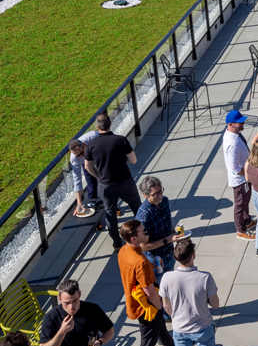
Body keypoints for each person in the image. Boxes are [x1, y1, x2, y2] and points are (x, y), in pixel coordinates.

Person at [160, 237, 230, 346]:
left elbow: (166, 307)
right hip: (202, 327)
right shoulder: (204, 277)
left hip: (179, 329)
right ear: (193, 255)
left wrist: (176, 317)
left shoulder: (167, 278)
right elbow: (215, 304)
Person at [118, 220, 176, 346]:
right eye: (142, 232)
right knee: (148, 340)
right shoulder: (140, 262)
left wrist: (150, 265)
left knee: (160, 330)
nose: (146, 232)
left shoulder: (124, 251)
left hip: (136, 302)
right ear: (133, 238)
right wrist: (160, 305)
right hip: (147, 307)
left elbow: (133, 273)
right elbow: (149, 290)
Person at [83, 111, 140, 250]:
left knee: (110, 213)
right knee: (137, 207)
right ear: (110, 124)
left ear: (97, 127)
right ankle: (142, 235)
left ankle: (117, 243)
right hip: (125, 181)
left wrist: (98, 177)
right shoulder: (120, 140)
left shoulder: (92, 144)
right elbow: (133, 160)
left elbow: (87, 166)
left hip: (105, 185)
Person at [135, 174, 181, 284]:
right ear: (145, 195)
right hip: (156, 261)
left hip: (170, 253)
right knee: (159, 289)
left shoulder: (164, 201)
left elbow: (168, 220)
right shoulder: (144, 216)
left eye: (160, 191)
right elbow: (143, 247)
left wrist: (175, 235)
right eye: (155, 194)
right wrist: (168, 240)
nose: (159, 195)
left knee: (171, 285)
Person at [221, 108, 253, 242]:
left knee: (245, 201)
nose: (243, 124)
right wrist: (249, 174)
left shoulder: (235, 135)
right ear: (230, 124)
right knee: (240, 205)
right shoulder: (232, 144)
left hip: (244, 178)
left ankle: (246, 221)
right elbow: (234, 169)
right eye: (239, 122)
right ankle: (241, 230)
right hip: (240, 180)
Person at [68, 141, 95, 219]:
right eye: (78, 155)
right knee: (91, 181)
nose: (81, 155)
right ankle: (93, 205)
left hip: (98, 154)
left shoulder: (92, 138)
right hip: (86, 162)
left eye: (82, 153)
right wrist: (79, 202)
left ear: (84, 145)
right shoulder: (74, 159)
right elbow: (77, 180)